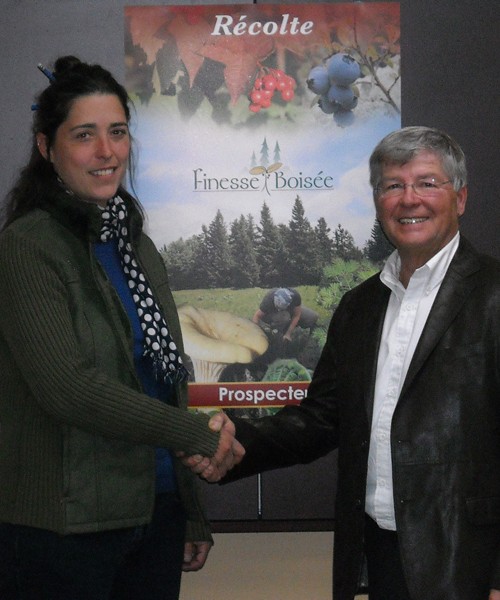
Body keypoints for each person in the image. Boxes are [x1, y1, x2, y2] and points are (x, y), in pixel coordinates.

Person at [182, 126, 500, 600]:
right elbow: (322, 418)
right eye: (393, 185)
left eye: (427, 183)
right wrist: (238, 442)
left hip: (467, 563)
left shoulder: (493, 294)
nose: (409, 199)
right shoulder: (358, 306)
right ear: (378, 202)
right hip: (376, 552)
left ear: (461, 198)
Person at [0, 56, 243, 600]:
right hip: (65, 529)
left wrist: (188, 508)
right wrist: (194, 435)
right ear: (46, 148)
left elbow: (162, 383)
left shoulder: (137, 248)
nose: (106, 151)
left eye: (117, 132)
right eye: (84, 135)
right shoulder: (28, 246)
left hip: (155, 512)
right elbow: (68, 388)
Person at [252, 287, 318, 341]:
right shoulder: (269, 298)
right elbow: (256, 316)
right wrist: (255, 332)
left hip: (290, 310)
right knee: (285, 317)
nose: (279, 309)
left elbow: (296, 315)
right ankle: (277, 332)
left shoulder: (295, 296)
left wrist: (288, 334)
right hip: (271, 314)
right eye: (277, 307)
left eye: (280, 308)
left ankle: (311, 338)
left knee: (313, 317)